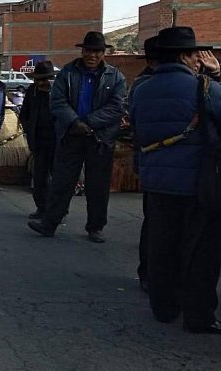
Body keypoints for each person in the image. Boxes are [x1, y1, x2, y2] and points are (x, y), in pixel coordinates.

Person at [130, 26, 221, 334]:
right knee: (201, 253)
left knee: (161, 246)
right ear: (185, 56)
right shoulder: (204, 88)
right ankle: (198, 316)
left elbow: (138, 132)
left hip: (156, 182)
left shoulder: (140, 88)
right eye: (196, 54)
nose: (200, 59)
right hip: (199, 185)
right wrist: (217, 76)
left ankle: (164, 307)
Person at [28, 31, 127, 243]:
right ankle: (50, 223)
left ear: (103, 53)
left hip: (99, 137)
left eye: (97, 51)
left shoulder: (115, 76)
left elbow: (116, 107)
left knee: (98, 186)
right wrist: (75, 122)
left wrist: (89, 122)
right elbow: (57, 102)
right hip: (71, 134)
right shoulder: (67, 73)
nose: (92, 55)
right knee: (62, 182)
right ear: (82, 51)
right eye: (88, 50)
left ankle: (95, 227)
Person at [131, 35, 160, 293]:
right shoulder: (199, 87)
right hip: (189, 175)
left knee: (153, 222)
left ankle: (149, 275)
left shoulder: (140, 87)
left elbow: (134, 125)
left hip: (152, 165)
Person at [19, 61, 58, 219]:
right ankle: (41, 208)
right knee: (39, 177)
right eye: (37, 80)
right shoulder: (32, 91)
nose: (40, 83)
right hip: (38, 142)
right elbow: (24, 114)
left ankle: (58, 211)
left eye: (44, 80)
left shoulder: (58, 92)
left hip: (57, 141)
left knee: (57, 178)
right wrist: (29, 130)